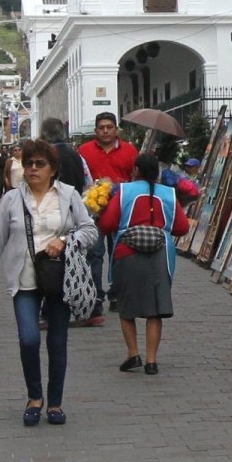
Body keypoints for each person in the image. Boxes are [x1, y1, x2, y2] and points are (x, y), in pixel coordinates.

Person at [0, 140, 97, 426]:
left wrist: (64, 241)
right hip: (24, 278)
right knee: (28, 338)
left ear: (53, 169)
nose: (32, 169)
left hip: (59, 278)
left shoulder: (69, 194)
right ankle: (34, 397)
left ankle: (55, 403)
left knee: (57, 341)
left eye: (39, 164)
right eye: (28, 163)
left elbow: (89, 231)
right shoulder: (13, 199)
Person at [98, 154, 189, 375]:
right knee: (155, 310)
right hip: (160, 256)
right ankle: (151, 360)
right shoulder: (169, 194)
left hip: (127, 254)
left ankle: (132, 354)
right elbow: (182, 227)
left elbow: (108, 223)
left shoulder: (124, 192)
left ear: (136, 169)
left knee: (127, 307)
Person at [78, 112, 139, 325]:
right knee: (94, 254)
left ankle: (117, 293)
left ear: (116, 129)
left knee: (120, 254)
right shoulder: (84, 152)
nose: (105, 130)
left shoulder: (130, 151)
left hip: (121, 211)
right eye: (101, 127)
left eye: (109, 127)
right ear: (96, 130)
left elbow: (136, 178)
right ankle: (96, 297)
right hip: (93, 213)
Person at [39, 117, 92, 194]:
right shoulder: (77, 155)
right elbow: (88, 181)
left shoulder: (42, 156)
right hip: (75, 200)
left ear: (43, 134)